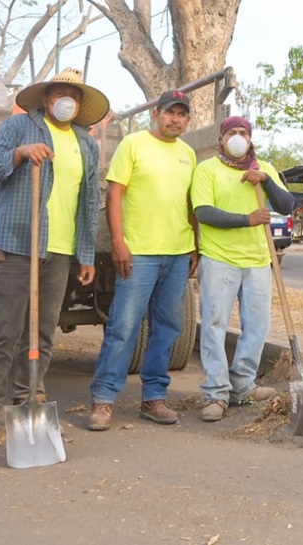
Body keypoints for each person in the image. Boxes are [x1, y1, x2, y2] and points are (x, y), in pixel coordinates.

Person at [0, 68, 107, 451]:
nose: (65, 99)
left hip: (61, 250)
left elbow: (88, 203)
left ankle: (28, 403)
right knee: (3, 330)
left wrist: (85, 255)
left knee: (42, 333)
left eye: (73, 94)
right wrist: (18, 156)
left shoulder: (86, 144)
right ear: (46, 99)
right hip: (19, 243)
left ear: (80, 104)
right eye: (58, 92)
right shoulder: (19, 129)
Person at [87, 90, 198, 431]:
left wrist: (195, 246)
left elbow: (190, 202)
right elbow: (114, 194)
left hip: (178, 253)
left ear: (188, 120)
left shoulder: (188, 154)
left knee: (168, 329)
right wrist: (119, 243)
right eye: (170, 112)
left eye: (181, 114)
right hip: (139, 253)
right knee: (123, 327)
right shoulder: (133, 144)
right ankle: (104, 399)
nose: (175, 119)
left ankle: (153, 398)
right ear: (156, 113)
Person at [191, 116, 294, 422]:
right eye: (232, 133)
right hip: (219, 258)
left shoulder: (263, 168)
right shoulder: (207, 169)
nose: (238, 137)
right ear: (221, 140)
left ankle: (242, 385)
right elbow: (204, 212)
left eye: (243, 133)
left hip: (259, 260)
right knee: (214, 324)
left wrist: (264, 180)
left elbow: (287, 205)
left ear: (250, 139)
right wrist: (246, 220)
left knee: (258, 327)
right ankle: (215, 392)